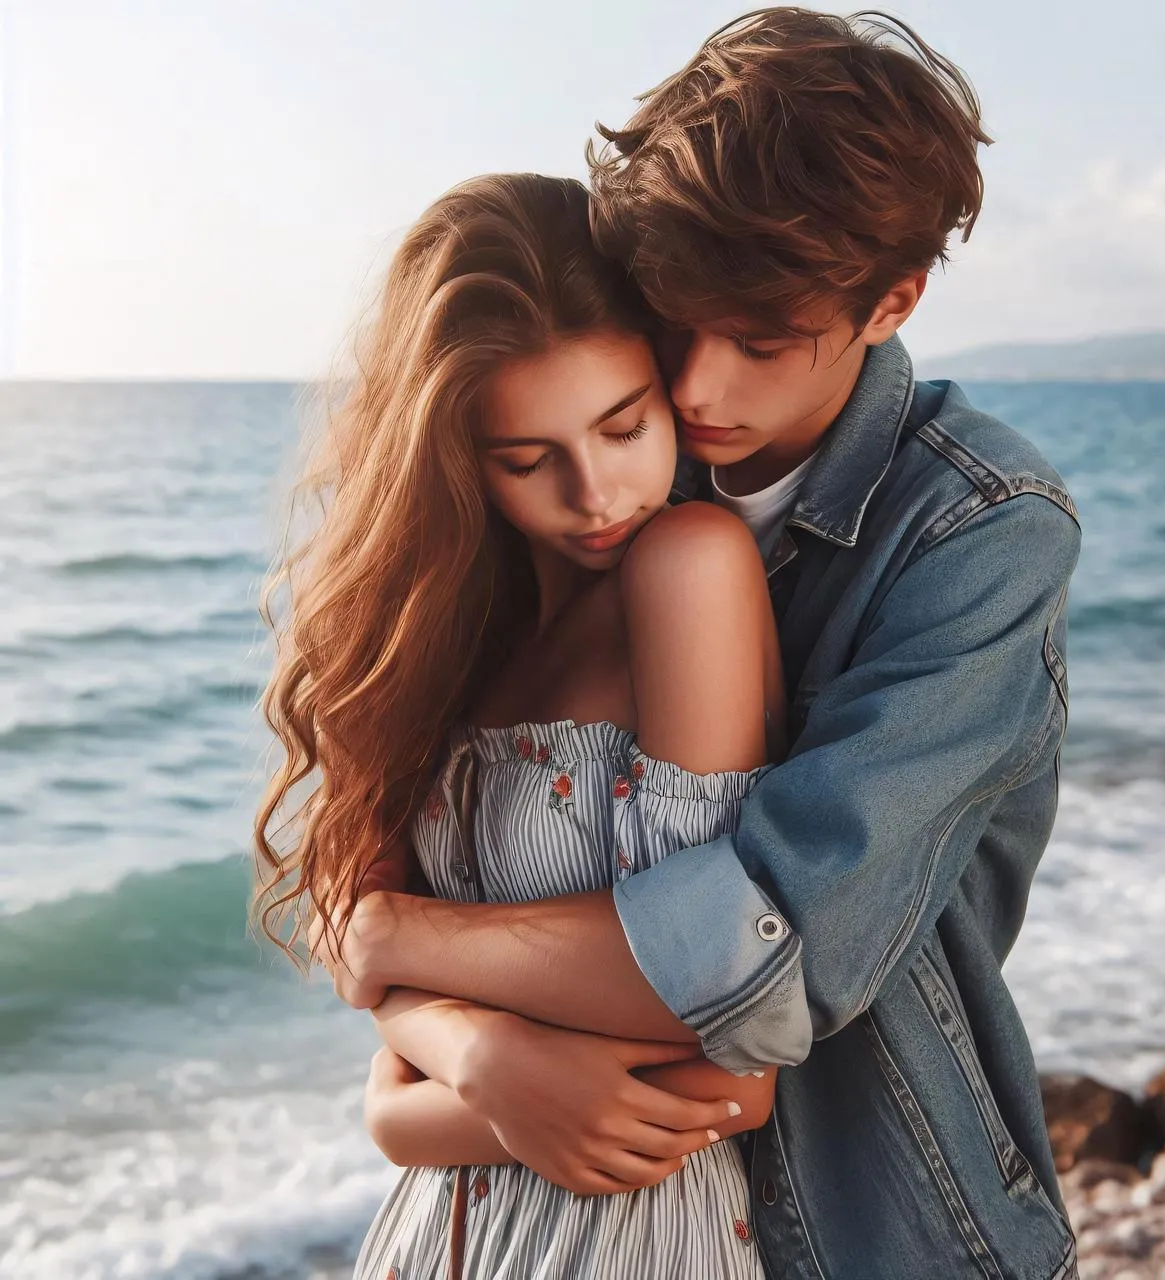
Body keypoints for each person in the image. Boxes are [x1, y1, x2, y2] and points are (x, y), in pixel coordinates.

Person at [308, 9, 1084, 1280]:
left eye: (763, 340)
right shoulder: (599, 505)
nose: (701, 391)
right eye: (677, 321)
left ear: (892, 300)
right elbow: (384, 1067)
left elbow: (760, 959)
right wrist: (470, 1046)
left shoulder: (979, 528)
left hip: (868, 1217)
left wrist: (399, 942)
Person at [255, 172, 794, 1278]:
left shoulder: (688, 567)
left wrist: (414, 985)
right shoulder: (443, 647)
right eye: (525, 457)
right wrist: (478, 1050)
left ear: (663, 381)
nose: (595, 492)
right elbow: (384, 1062)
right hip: (425, 1242)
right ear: (454, 456)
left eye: (622, 424)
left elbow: (731, 1060)